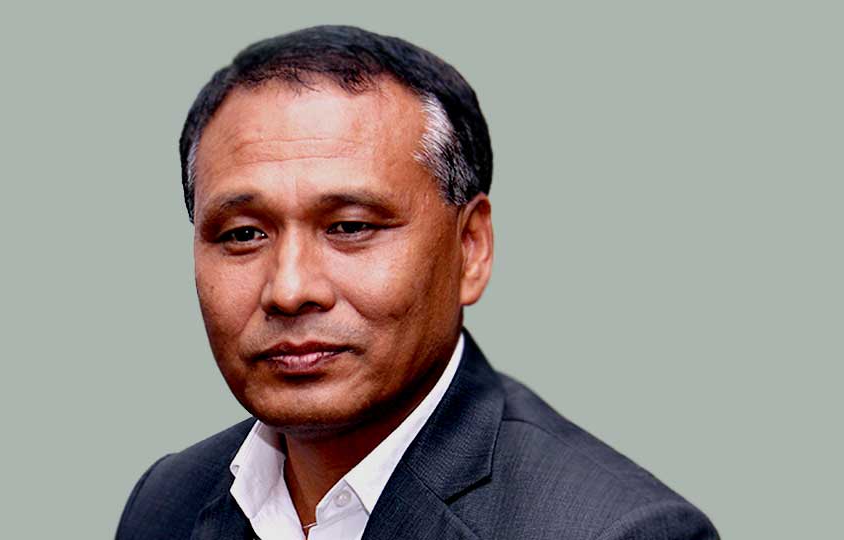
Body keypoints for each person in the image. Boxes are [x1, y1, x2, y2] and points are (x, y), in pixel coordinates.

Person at [115, 25, 718, 540]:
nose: (290, 289)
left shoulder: (613, 529)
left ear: (470, 248)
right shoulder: (167, 501)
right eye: (244, 234)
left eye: (350, 227)